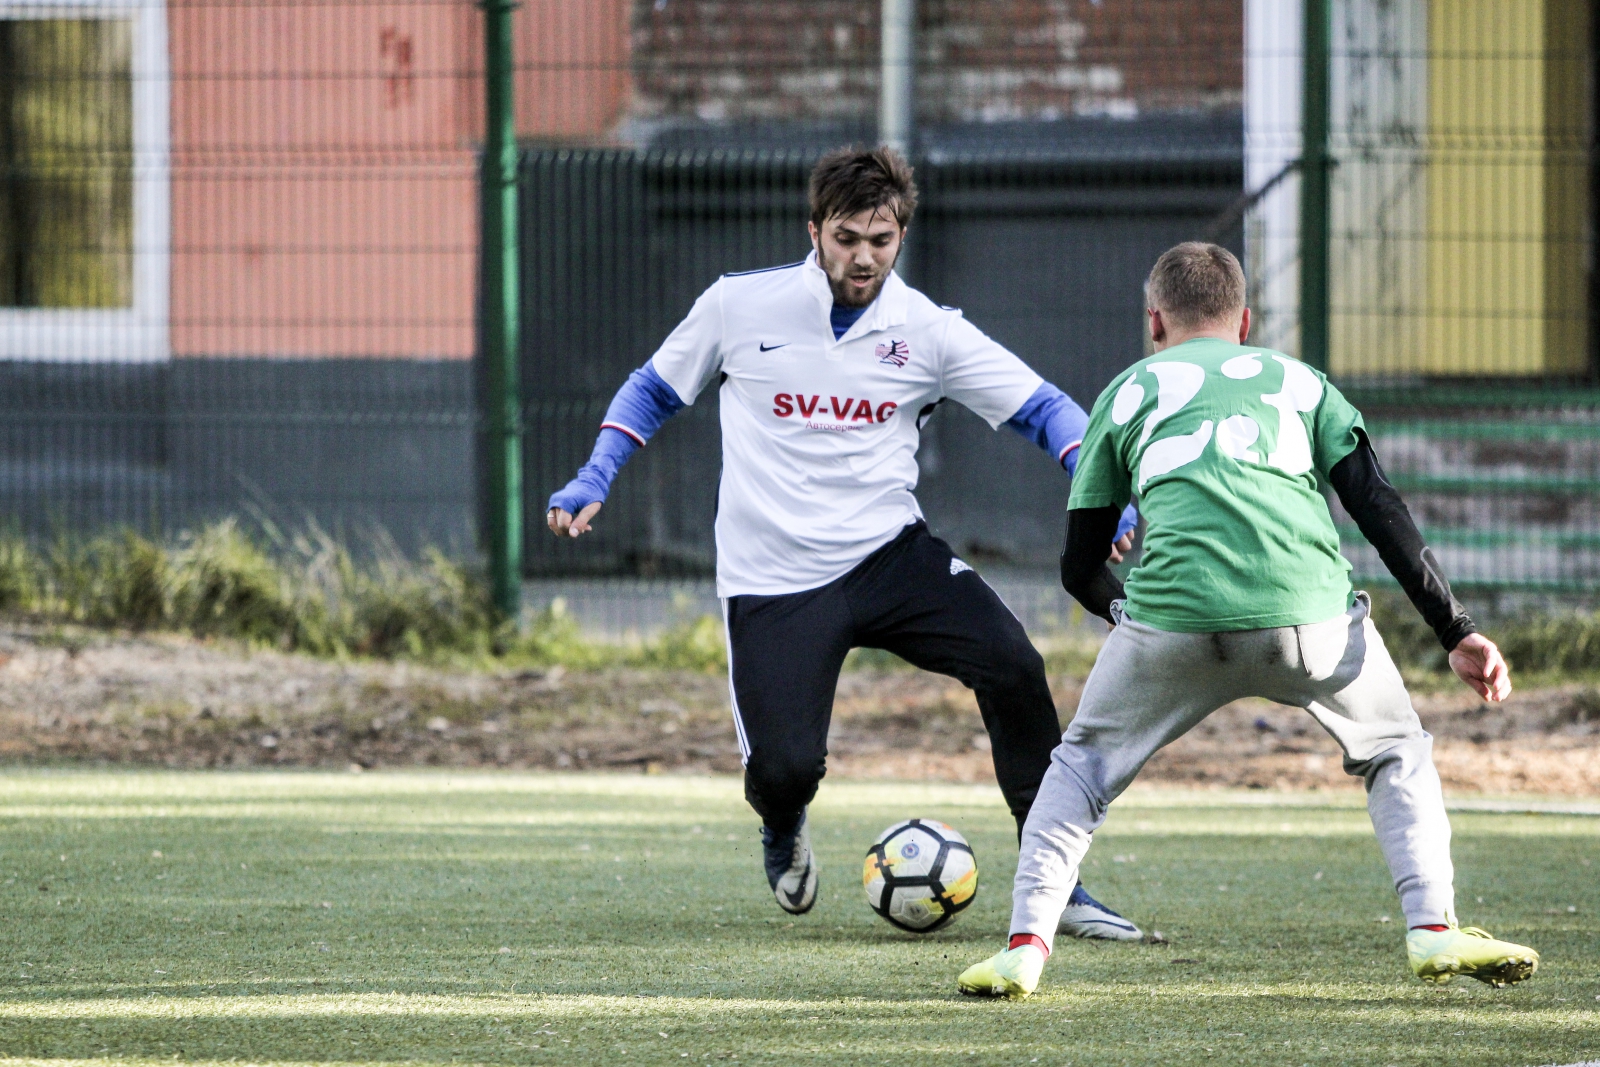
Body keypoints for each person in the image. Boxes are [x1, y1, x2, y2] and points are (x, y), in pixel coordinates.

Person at [547, 146, 1140, 939]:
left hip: (890, 557)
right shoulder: (738, 306)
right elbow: (654, 388)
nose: (863, 256)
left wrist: (1100, 485)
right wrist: (597, 473)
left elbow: (1046, 408)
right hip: (773, 575)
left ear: (901, 237)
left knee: (1013, 663)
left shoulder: (926, 331)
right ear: (815, 230)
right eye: (847, 237)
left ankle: (1055, 881)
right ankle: (782, 823)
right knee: (784, 769)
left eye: (882, 240)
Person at [957, 241, 1540, 999]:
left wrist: (1132, 622)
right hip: (1311, 620)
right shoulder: (1301, 382)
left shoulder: (1127, 391)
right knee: (1397, 748)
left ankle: (1025, 947)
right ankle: (1432, 929)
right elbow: (1377, 504)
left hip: (1171, 619)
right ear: (1247, 322)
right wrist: (1455, 628)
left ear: (1154, 322)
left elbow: (1078, 565)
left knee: (1078, 771)